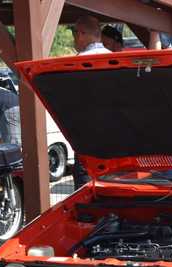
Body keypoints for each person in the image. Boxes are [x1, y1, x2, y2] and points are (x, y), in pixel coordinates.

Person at [71, 15, 110, 188]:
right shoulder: (114, 59)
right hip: (117, 141)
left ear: (80, 34)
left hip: (87, 143)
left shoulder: (76, 63)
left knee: (86, 193)